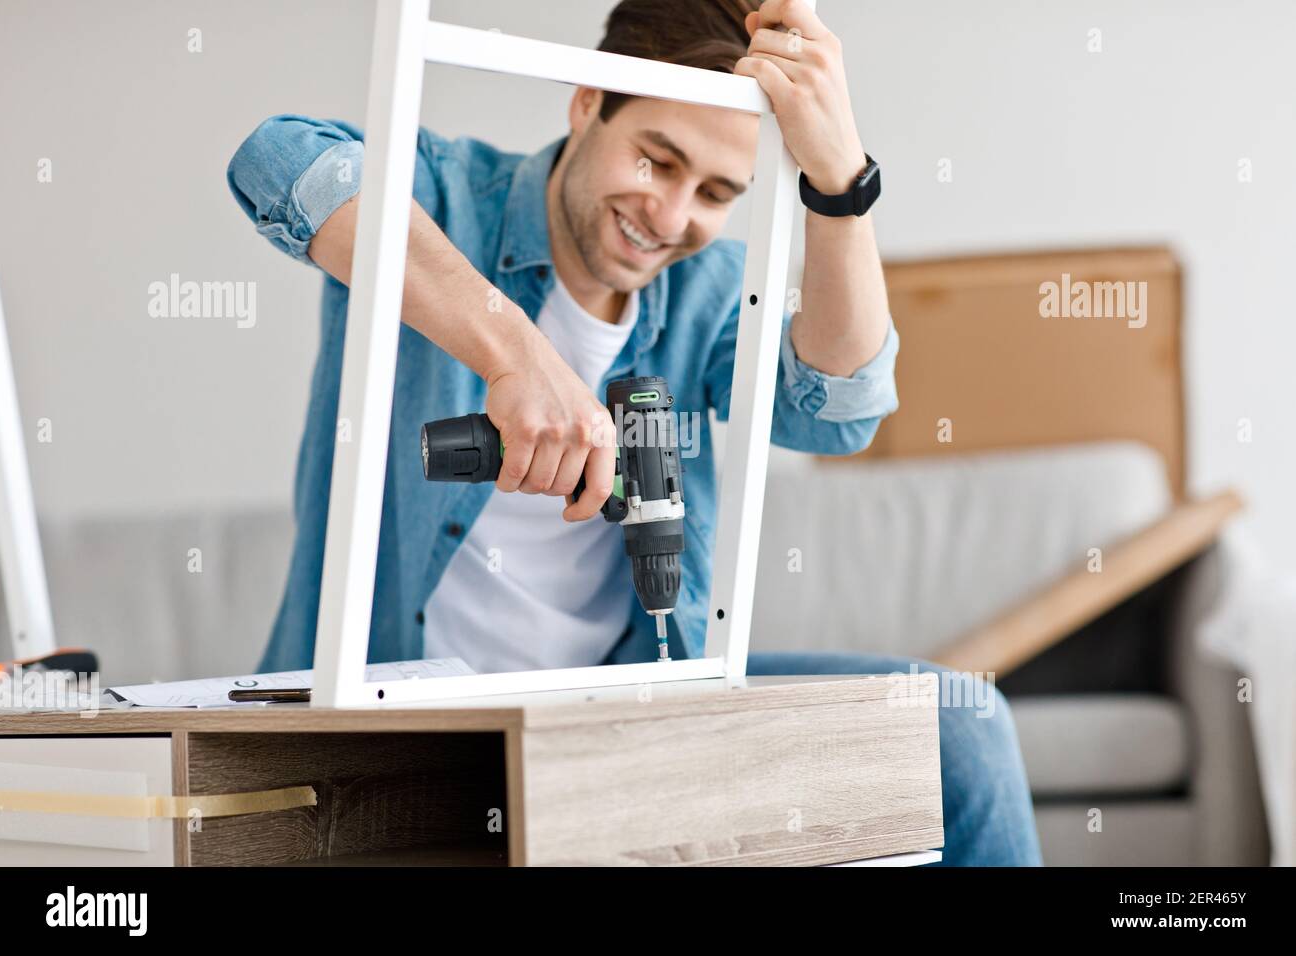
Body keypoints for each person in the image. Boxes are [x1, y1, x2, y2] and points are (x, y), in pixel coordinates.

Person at [226, 0, 1041, 865]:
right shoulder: (442, 195)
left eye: (717, 193)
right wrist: (515, 350)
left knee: (961, 724)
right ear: (586, 103)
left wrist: (841, 182)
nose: (670, 216)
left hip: (624, 712)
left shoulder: (713, 287)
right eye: (657, 160)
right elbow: (277, 161)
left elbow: (841, 414)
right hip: (399, 719)